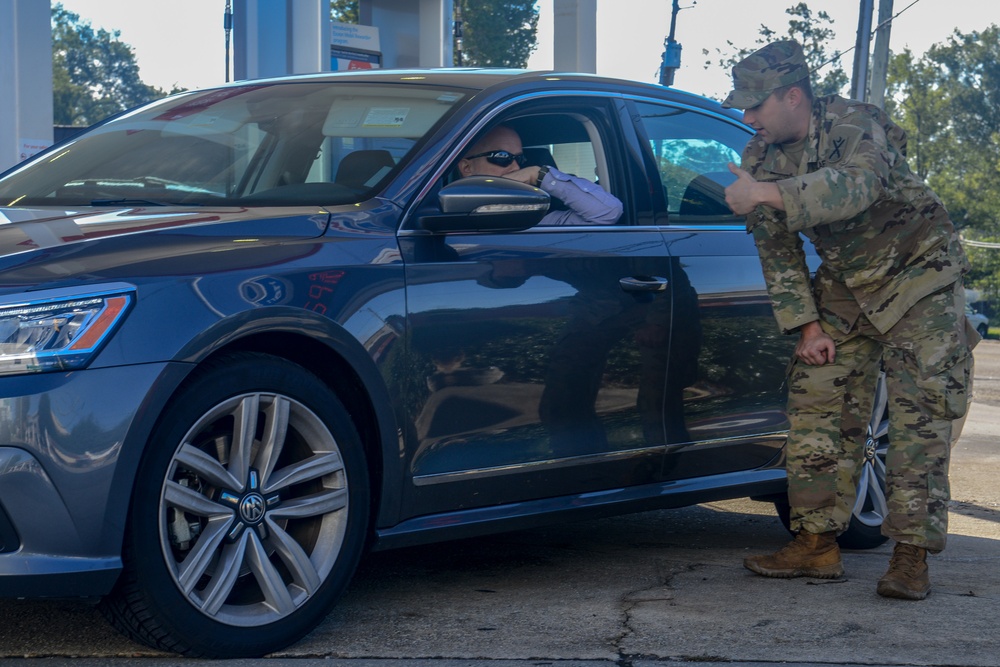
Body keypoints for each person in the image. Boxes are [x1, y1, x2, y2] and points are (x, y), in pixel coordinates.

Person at [722, 40, 977, 600]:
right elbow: (778, 249)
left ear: (794, 96)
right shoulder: (760, 156)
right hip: (845, 284)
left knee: (921, 415)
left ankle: (910, 557)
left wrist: (763, 192)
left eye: (755, 105)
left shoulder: (856, 124)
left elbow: (855, 187)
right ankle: (815, 545)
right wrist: (807, 328)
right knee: (818, 398)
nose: (746, 118)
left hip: (919, 274)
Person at [457, 124, 622, 226]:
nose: (515, 166)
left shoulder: (534, 220)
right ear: (466, 167)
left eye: (520, 159)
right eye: (503, 157)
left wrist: (538, 173)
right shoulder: (437, 215)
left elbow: (607, 212)